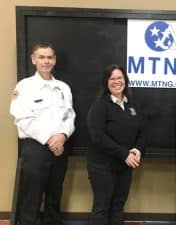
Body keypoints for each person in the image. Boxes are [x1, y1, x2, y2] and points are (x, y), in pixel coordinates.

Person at [10, 42, 76, 225]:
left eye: (49, 57)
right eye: (41, 57)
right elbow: (22, 119)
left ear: (54, 60)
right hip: (36, 149)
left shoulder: (63, 87)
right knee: (31, 200)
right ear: (33, 59)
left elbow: (70, 116)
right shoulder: (24, 87)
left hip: (60, 149)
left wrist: (62, 135)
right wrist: (49, 139)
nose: (46, 61)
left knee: (54, 198)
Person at [86, 64, 144, 225]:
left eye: (120, 78)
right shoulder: (100, 105)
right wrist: (124, 154)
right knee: (102, 207)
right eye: (112, 78)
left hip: (125, 167)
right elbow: (97, 137)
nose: (117, 81)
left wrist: (137, 149)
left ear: (125, 80)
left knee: (118, 207)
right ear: (106, 82)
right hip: (102, 167)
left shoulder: (132, 105)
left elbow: (142, 132)